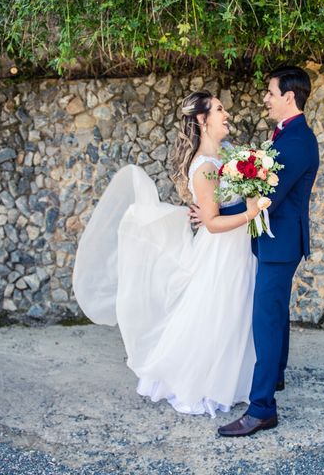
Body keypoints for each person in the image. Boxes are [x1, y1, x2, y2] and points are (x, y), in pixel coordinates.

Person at [72, 90, 262, 417]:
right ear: (202, 120)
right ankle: (200, 382)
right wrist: (251, 213)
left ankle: (231, 381)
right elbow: (213, 223)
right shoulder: (204, 167)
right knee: (216, 315)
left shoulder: (230, 153)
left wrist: (255, 188)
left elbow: (227, 203)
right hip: (221, 250)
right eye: (219, 110)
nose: (226, 114)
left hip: (240, 247)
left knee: (237, 314)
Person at [191, 66, 320, 436]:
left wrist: (214, 214)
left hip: (279, 244)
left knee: (265, 321)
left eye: (270, 92)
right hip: (275, 241)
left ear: (289, 97)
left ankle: (262, 408)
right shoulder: (287, 135)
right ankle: (274, 377)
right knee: (275, 317)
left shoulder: (296, 142)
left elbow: (267, 200)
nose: (265, 97)